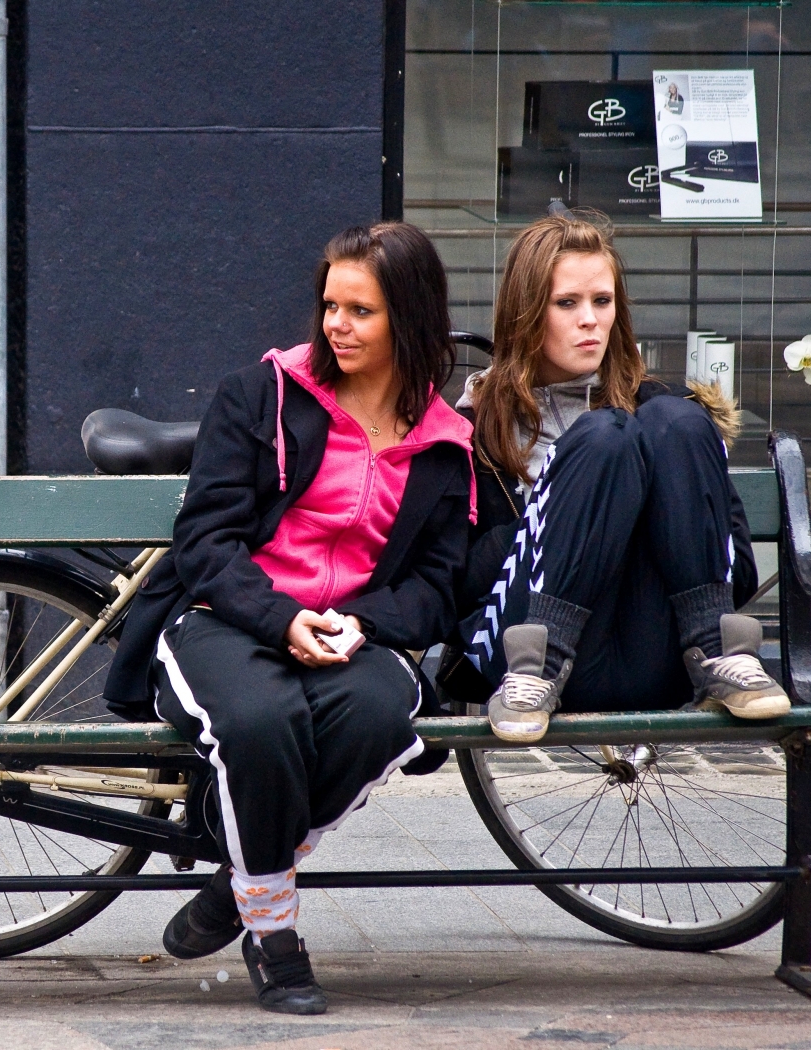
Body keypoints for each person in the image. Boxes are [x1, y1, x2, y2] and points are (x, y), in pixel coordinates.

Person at [101, 222, 474, 1015]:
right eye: (330, 305)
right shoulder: (263, 395)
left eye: (361, 311)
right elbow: (205, 541)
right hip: (226, 619)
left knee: (381, 714)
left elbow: (439, 586)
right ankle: (273, 934)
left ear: (410, 318)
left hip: (352, 633)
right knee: (262, 720)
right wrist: (280, 620)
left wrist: (364, 623)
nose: (337, 324)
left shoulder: (446, 445)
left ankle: (240, 883)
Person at [438, 212, 788, 744]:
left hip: (664, 656)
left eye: (602, 302)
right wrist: (572, 514)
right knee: (606, 440)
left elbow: (737, 570)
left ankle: (720, 653)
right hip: (520, 657)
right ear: (526, 314)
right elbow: (455, 583)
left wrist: (646, 518)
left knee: (670, 420)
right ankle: (544, 658)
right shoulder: (475, 428)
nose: (590, 320)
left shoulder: (663, 415)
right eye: (567, 303)